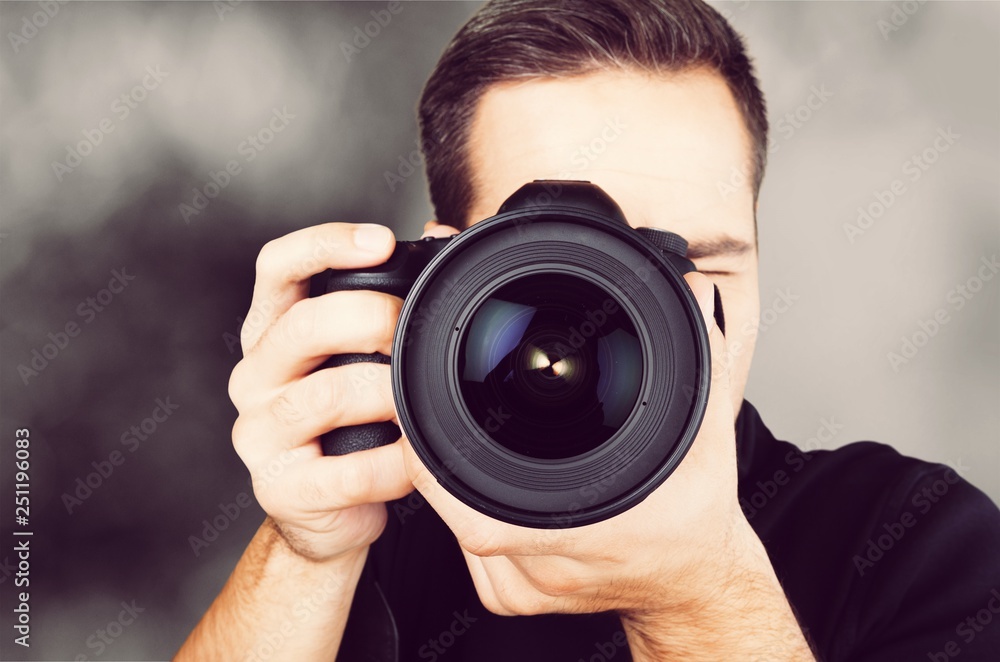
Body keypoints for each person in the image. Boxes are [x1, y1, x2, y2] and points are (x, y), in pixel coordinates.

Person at [178, 1, 1000, 660]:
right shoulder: (384, 520)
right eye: (569, 270)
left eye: (697, 269)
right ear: (439, 272)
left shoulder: (912, 542)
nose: (634, 320)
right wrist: (307, 552)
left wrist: (699, 597)